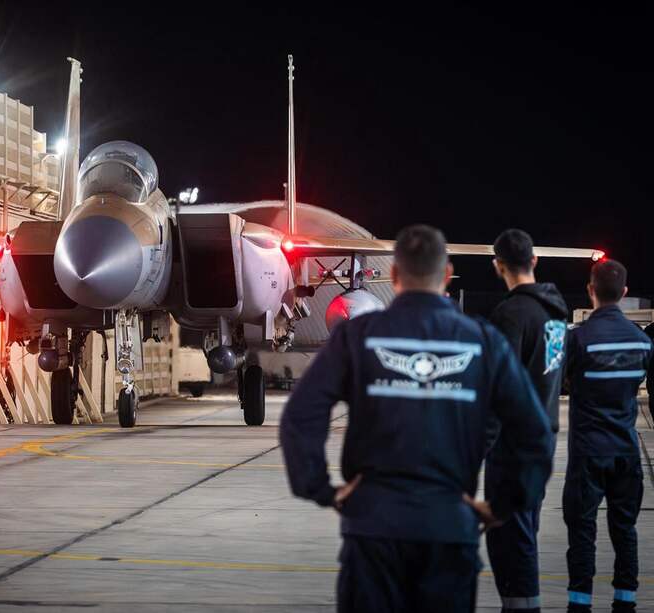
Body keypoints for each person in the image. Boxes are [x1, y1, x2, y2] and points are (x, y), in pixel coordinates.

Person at [280, 224, 554, 613]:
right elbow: (535, 432)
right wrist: (505, 504)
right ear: (446, 274)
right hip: (449, 531)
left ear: (393, 276)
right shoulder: (482, 341)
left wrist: (321, 488)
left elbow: (300, 417)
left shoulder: (358, 336)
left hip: (373, 529)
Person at [486, 229, 569, 613]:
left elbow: (497, 391)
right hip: (544, 440)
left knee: (510, 542)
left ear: (497, 265)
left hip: (513, 449)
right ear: (535, 260)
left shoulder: (510, 315)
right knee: (525, 535)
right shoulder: (556, 314)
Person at [563, 260, 653, 612]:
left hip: (587, 453)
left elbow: (561, 383)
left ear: (590, 290)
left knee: (582, 535)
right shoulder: (643, 343)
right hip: (626, 452)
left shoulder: (578, 339)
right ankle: (625, 603)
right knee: (625, 532)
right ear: (625, 293)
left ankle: (580, 604)